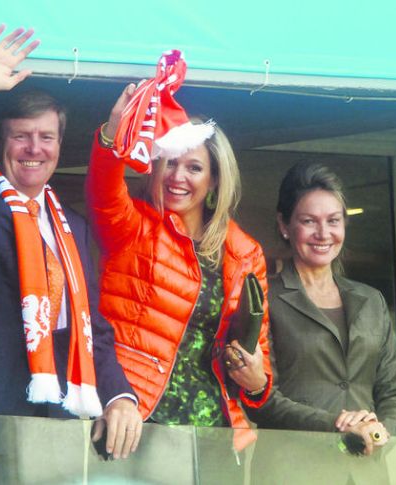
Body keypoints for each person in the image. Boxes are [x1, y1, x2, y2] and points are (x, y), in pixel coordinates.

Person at [0, 25, 143, 472]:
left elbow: (90, 326)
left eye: (47, 137)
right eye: (21, 136)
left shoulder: (71, 224)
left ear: (58, 146)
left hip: (50, 426)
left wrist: (120, 396)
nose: (35, 148)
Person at [85, 82, 274, 458]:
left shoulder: (245, 252)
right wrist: (113, 130)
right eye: (170, 162)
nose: (178, 177)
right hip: (138, 424)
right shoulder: (134, 225)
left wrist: (256, 381)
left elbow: (260, 356)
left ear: (214, 178)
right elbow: (102, 190)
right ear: (155, 168)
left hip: (216, 437)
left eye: (194, 167)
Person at [243, 161, 396, 484]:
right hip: (292, 470)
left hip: (366, 473)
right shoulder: (265, 297)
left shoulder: (371, 300)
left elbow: (395, 392)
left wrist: (376, 435)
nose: (323, 234)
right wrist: (341, 426)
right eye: (309, 221)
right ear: (284, 225)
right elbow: (263, 399)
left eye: (333, 221)